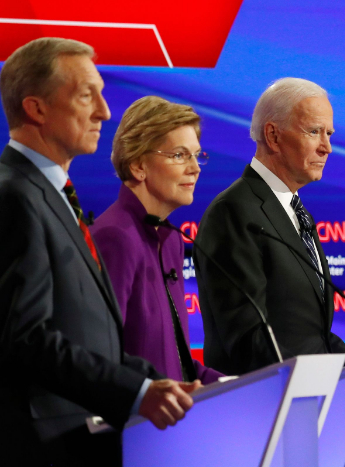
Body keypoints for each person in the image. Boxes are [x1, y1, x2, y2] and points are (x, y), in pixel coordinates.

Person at [0, 38, 199, 465]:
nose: (104, 112)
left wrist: (157, 383)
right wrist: (138, 392)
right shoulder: (13, 195)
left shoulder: (51, 195)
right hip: (47, 446)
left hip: (85, 439)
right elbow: (25, 338)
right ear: (36, 108)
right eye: (87, 94)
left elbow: (89, 336)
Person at [196, 77, 345, 375]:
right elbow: (247, 339)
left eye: (329, 134)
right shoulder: (233, 212)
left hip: (306, 397)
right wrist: (316, 377)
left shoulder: (294, 209)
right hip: (262, 404)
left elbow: (310, 334)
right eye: (314, 132)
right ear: (273, 135)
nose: (327, 148)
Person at [92, 96, 224, 385]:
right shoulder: (114, 237)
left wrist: (235, 386)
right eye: (180, 155)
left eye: (197, 155)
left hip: (171, 420)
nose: (195, 168)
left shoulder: (171, 239)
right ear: (139, 165)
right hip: (136, 422)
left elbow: (177, 363)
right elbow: (100, 357)